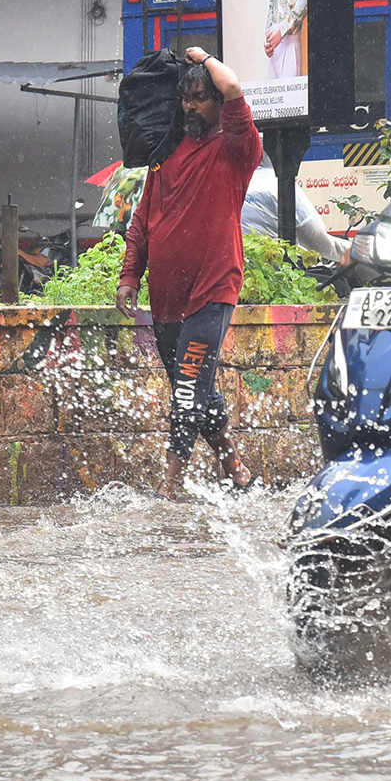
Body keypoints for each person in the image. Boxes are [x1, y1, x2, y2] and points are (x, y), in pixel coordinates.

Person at [116, 47, 263, 499]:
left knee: (185, 388)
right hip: (166, 299)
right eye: (185, 98)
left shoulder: (238, 149)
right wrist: (128, 277)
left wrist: (203, 58)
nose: (191, 106)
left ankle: (171, 483)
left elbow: (235, 88)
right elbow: (143, 220)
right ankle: (236, 470)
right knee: (198, 386)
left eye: (200, 97)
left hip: (213, 289)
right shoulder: (166, 155)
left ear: (216, 103)